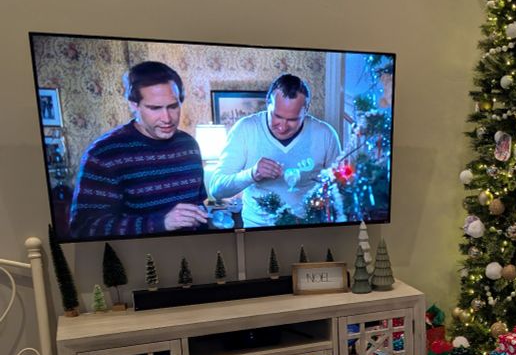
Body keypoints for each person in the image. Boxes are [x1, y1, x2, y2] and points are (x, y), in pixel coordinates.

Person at [69, 62, 208, 238]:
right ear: (134, 105)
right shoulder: (104, 153)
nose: (167, 118)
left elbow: (198, 205)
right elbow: (84, 228)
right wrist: (161, 223)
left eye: (173, 106)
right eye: (155, 108)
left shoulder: (189, 146)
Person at [209, 74, 343, 228]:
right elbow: (217, 190)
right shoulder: (244, 129)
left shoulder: (325, 134)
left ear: (306, 109)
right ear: (268, 102)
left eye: (292, 120)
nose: (283, 126)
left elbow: (339, 187)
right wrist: (252, 174)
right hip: (258, 229)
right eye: (277, 116)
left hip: (309, 226)